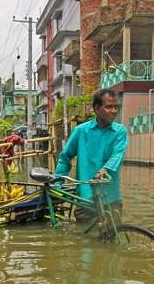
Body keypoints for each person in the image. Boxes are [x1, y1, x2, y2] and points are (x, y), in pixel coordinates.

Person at [54, 88, 127, 216]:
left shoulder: (120, 131)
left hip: (111, 197)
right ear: (97, 109)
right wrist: (57, 184)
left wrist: (105, 170)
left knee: (114, 233)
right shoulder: (81, 131)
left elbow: (118, 155)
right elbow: (65, 157)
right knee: (84, 235)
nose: (114, 111)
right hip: (85, 198)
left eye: (116, 107)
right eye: (109, 107)